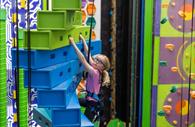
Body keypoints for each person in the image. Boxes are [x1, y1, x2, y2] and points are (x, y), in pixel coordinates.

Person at [69, 35, 110, 123]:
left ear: (102, 66)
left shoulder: (95, 73)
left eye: (98, 60)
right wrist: (83, 39)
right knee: (73, 102)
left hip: (92, 105)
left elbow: (83, 59)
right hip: (89, 100)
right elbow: (88, 55)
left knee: (85, 123)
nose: (95, 60)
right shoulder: (96, 68)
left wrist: (73, 43)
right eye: (96, 59)